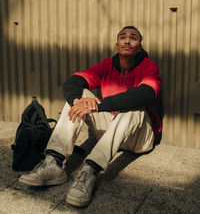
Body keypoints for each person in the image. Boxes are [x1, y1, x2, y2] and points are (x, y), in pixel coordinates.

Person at [19, 26, 162, 207]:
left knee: (135, 107)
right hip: (110, 133)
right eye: (122, 37)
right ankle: (54, 162)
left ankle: (90, 170)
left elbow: (146, 93)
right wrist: (79, 101)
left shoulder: (148, 67)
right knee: (80, 98)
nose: (127, 41)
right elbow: (74, 81)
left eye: (133, 38)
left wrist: (99, 105)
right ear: (116, 44)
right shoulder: (107, 66)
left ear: (139, 46)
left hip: (139, 139)